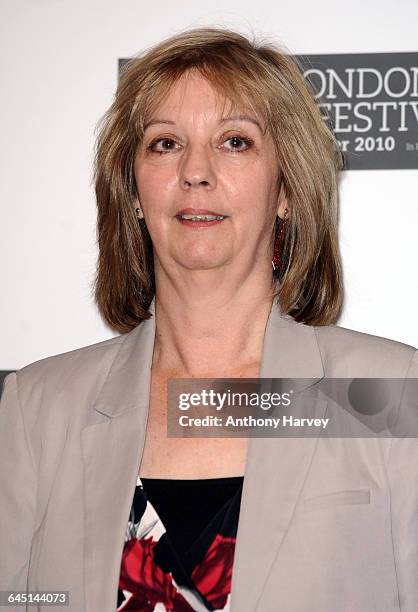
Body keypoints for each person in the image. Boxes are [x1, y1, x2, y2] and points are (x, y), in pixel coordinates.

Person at [0, 26, 417, 612]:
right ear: (134, 192)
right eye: (165, 143)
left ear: (285, 190)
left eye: (235, 142)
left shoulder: (393, 394)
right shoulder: (38, 410)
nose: (196, 171)